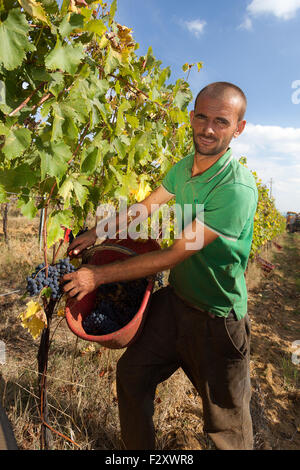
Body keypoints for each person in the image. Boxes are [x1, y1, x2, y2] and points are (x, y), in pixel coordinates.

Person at [63, 82, 258, 450]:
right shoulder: (184, 168)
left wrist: (97, 274)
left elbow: (172, 256)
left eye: (221, 121)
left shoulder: (236, 189)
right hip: (177, 302)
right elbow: (146, 208)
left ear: (238, 128)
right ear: (192, 117)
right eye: (201, 116)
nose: (208, 128)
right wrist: (96, 232)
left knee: (226, 428)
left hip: (218, 320)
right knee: (133, 374)